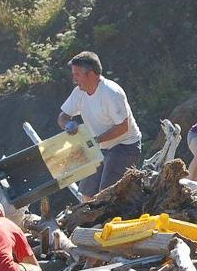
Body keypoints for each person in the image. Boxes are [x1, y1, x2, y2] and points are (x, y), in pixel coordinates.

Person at [58, 51, 142, 198]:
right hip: (100, 147)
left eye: (77, 75)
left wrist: (95, 141)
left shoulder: (111, 93)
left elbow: (123, 126)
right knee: (86, 194)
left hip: (125, 146)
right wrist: (68, 124)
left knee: (106, 194)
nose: (74, 79)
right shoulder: (79, 93)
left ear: (90, 74)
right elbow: (62, 116)